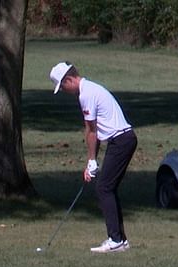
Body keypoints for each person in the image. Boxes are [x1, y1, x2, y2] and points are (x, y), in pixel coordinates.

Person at [50, 61, 137, 253]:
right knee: (108, 188)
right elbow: (95, 132)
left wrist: (91, 161)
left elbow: (91, 131)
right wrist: (92, 162)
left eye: (62, 86)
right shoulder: (89, 89)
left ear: (69, 79)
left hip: (121, 140)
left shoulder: (86, 94)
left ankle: (115, 240)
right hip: (122, 140)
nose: (63, 90)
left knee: (104, 188)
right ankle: (120, 239)